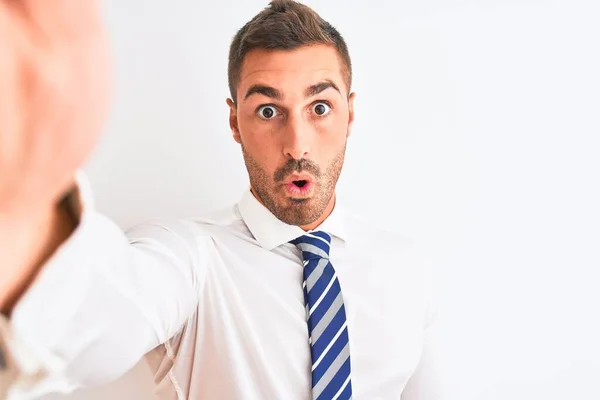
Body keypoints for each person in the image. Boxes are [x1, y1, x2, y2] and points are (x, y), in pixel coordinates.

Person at [0, 0, 447, 398]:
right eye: (268, 111)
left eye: (320, 107)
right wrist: (22, 197)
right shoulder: (188, 259)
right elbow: (93, 325)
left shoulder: (406, 269)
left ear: (350, 113)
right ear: (235, 123)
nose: (297, 145)